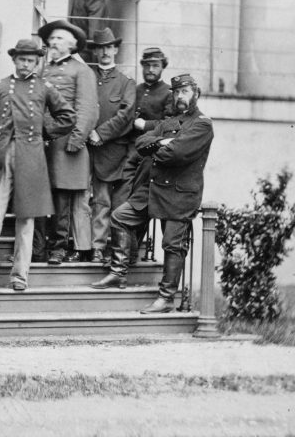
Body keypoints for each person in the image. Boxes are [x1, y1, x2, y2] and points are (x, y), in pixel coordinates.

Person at [90, 74, 214, 316]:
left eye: (185, 92)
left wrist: (158, 145)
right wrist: (162, 141)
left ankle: (166, 298)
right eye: (177, 92)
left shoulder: (202, 124)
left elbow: (175, 154)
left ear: (196, 94)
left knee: (172, 245)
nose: (180, 96)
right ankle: (118, 272)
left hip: (179, 194)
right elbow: (141, 142)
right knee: (120, 217)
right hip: (153, 189)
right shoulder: (169, 122)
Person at [0, 39, 75, 291]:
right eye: (22, 59)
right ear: (14, 60)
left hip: (32, 158)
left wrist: (42, 133)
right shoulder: (1, 86)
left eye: (31, 60)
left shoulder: (44, 87)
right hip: (3, 157)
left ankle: (19, 277)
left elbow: (68, 116)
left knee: (26, 220)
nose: (26, 64)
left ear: (36, 62)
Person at [36, 19, 99, 265]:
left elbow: (87, 109)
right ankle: (38, 248)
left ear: (72, 45)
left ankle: (59, 248)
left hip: (66, 143)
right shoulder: (43, 70)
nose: (53, 42)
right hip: (43, 141)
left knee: (63, 196)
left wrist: (77, 138)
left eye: (59, 38)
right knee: (42, 193)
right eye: (51, 38)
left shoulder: (81, 71)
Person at [113, 47, 172, 263]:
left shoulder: (168, 93)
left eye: (155, 65)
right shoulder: (135, 90)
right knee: (122, 198)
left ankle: (132, 253)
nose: (150, 69)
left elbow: (170, 124)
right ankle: (121, 251)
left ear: (162, 67)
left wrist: (145, 124)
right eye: (147, 65)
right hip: (130, 151)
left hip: (151, 154)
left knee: (140, 202)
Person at [85, 28, 135, 264]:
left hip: (110, 152)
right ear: (95, 51)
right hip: (84, 150)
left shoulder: (126, 83)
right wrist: (87, 133)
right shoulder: (86, 78)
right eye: (100, 47)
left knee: (105, 202)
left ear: (115, 49)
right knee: (82, 200)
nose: (105, 52)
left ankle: (99, 247)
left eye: (109, 47)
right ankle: (80, 246)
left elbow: (125, 116)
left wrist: (100, 134)